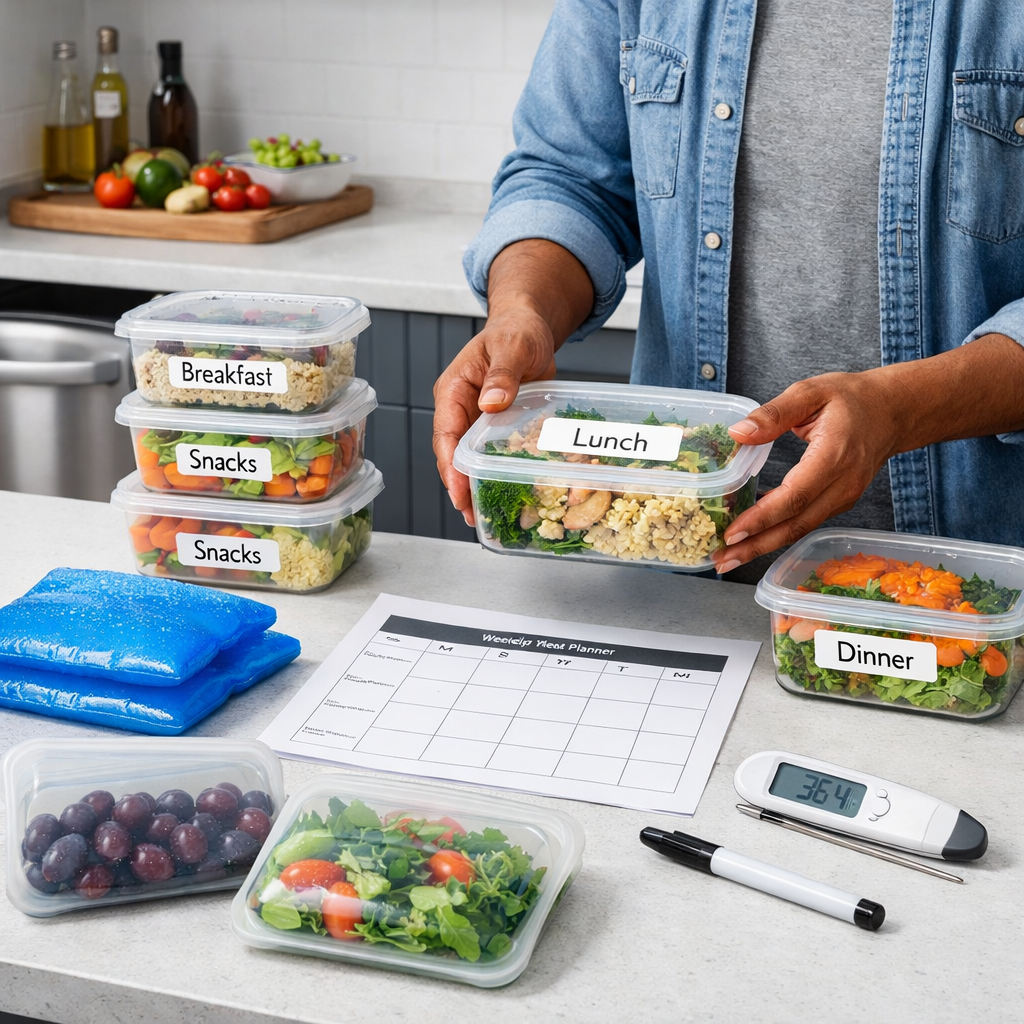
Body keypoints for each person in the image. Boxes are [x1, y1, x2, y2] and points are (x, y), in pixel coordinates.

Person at [432, 0, 1024, 581]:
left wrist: (898, 412)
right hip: (671, 548)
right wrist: (523, 310)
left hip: (970, 579)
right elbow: (571, 179)